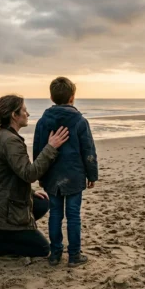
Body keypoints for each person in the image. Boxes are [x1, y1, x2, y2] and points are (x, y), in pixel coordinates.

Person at [0, 94, 69, 263]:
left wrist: (29, 193)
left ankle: (6, 236)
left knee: (41, 203)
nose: (27, 114)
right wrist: (51, 147)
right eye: (24, 110)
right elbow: (29, 174)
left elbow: (3, 178)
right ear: (14, 115)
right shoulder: (10, 141)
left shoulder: (0, 136)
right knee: (42, 249)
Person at [33, 77, 98, 267]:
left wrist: (40, 175)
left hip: (52, 175)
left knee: (55, 214)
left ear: (51, 97)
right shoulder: (79, 121)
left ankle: (55, 254)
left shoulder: (43, 122)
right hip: (74, 174)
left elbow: (38, 151)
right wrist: (92, 175)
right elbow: (88, 151)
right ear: (72, 97)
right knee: (73, 215)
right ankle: (74, 255)